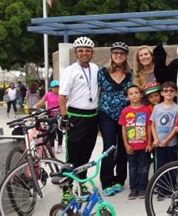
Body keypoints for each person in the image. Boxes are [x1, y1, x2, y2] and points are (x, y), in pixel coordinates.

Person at [59, 36, 99, 203]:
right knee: (72, 155)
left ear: (92, 53)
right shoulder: (70, 71)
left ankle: (81, 183)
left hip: (92, 117)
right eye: (81, 50)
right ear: (76, 52)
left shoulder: (96, 68)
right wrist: (64, 117)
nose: (84, 53)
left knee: (85, 155)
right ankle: (67, 188)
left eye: (87, 50)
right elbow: (62, 95)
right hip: (76, 117)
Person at [97, 41, 133, 197]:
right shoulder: (102, 72)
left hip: (125, 116)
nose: (119, 55)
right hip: (106, 115)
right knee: (109, 147)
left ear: (125, 57)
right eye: (116, 53)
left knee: (124, 148)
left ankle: (120, 179)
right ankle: (106, 181)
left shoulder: (130, 74)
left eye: (122, 53)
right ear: (112, 55)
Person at [118, 85, 152, 200]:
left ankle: (143, 188)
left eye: (136, 92)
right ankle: (133, 189)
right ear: (127, 97)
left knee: (144, 167)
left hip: (144, 145)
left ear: (141, 95)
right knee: (132, 168)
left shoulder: (146, 110)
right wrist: (126, 144)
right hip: (131, 146)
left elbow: (149, 127)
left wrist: (149, 143)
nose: (134, 95)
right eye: (131, 93)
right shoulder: (125, 111)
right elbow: (123, 129)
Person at [150, 81, 178, 170]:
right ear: (162, 93)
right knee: (159, 167)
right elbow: (153, 124)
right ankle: (159, 184)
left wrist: (166, 141)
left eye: (171, 91)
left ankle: (171, 184)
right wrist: (155, 139)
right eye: (166, 91)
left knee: (171, 167)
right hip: (158, 143)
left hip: (171, 144)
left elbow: (176, 127)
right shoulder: (157, 107)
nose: (168, 93)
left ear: (176, 93)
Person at [34, 80, 62, 153]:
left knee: (59, 131)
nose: (56, 88)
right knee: (51, 131)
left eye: (57, 87)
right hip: (50, 115)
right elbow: (40, 103)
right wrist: (35, 107)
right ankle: (52, 147)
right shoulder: (48, 95)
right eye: (54, 87)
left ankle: (60, 145)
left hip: (59, 115)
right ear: (51, 88)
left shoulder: (61, 95)